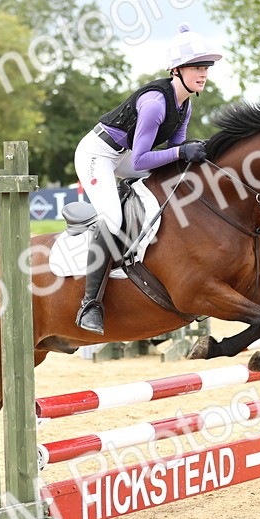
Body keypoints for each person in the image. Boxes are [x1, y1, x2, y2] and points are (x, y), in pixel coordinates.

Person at [72, 22, 223, 334]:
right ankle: (89, 305)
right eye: (196, 67)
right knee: (113, 218)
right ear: (176, 70)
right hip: (97, 156)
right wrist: (182, 153)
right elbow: (143, 159)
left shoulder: (185, 105)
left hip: (125, 156)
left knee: (178, 181)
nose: (204, 73)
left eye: (206, 67)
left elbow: (174, 152)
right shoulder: (155, 104)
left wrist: (195, 153)